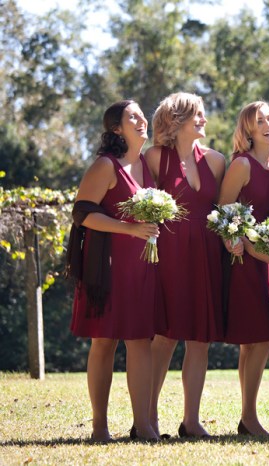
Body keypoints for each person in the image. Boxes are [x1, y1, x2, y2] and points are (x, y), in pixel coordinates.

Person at [67, 100, 160, 441]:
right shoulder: (105, 166)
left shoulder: (146, 167)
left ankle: (145, 426)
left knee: (140, 342)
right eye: (131, 116)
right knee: (104, 342)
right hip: (105, 268)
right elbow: (82, 213)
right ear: (116, 129)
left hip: (141, 268)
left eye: (141, 114)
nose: (141, 120)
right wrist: (130, 229)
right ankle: (99, 426)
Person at [144, 92, 226, 439]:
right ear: (177, 121)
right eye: (198, 115)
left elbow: (223, 212)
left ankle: (191, 421)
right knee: (164, 337)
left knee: (200, 340)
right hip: (168, 257)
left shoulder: (217, 161)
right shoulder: (153, 158)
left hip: (206, 256)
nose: (204, 120)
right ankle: (147, 420)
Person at [219, 101, 269, 436]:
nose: (267, 124)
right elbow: (223, 212)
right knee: (261, 338)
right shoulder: (242, 165)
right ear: (248, 129)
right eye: (259, 121)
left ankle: (247, 417)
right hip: (243, 259)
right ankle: (250, 417)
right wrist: (248, 247)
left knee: (253, 342)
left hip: (266, 262)